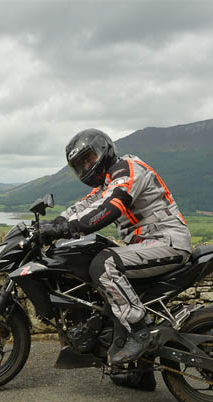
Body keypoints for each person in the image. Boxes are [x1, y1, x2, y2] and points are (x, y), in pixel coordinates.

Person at [40, 129, 192, 372]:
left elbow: (111, 206)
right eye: (80, 164)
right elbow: (86, 205)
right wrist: (52, 224)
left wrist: (68, 228)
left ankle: (140, 332)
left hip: (167, 242)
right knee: (97, 261)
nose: (86, 166)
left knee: (104, 264)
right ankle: (137, 374)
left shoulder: (127, 169)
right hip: (146, 245)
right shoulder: (108, 181)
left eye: (88, 158)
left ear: (102, 149)